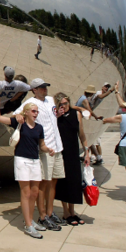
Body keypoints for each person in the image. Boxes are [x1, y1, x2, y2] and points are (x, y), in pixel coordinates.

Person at [0, 90, 53, 239]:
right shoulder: (19, 122)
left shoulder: (39, 128)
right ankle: (28, 225)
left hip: (34, 161)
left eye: (37, 111)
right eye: (33, 111)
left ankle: (30, 220)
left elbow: (42, 145)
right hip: (22, 161)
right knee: (26, 193)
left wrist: (48, 150)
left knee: (34, 193)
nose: (36, 113)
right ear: (26, 112)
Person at [14, 78, 65, 231]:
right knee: (44, 182)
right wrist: (18, 117)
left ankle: (49, 212)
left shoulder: (50, 100)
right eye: (41, 88)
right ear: (34, 90)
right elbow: (17, 114)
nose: (44, 89)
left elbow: (55, 114)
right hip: (45, 147)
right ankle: (42, 215)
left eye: (45, 87)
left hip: (57, 146)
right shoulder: (29, 103)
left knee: (53, 181)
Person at [53, 93, 91, 225]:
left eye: (66, 103)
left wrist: (86, 152)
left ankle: (73, 211)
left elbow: (82, 134)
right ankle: (66, 212)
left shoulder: (77, 114)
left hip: (73, 152)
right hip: (61, 152)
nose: (64, 106)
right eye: (61, 104)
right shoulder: (56, 116)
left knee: (74, 182)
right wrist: (57, 116)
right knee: (64, 182)